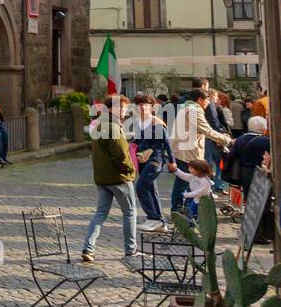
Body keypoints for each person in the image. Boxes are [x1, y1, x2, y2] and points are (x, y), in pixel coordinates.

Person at [81, 96, 139, 267]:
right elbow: (121, 153)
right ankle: (131, 249)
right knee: (129, 213)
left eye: (124, 108)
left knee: (100, 214)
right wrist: (130, 169)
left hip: (102, 177)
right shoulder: (112, 126)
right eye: (120, 108)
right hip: (118, 177)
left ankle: (88, 248)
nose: (123, 111)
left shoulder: (99, 124)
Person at [169, 88, 230, 215]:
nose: (209, 103)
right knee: (184, 181)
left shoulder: (186, 108)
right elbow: (206, 130)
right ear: (200, 100)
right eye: (208, 100)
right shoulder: (194, 110)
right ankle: (178, 210)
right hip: (188, 152)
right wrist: (227, 140)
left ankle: (183, 209)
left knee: (185, 181)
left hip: (183, 150)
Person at [132, 93, 175, 231]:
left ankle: (153, 217)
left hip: (155, 159)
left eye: (146, 105)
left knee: (141, 187)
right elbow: (138, 141)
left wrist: (172, 161)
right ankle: (161, 221)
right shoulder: (138, 122)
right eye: (140, 105)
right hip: (142, 160)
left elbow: (166, 143)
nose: (143, 107)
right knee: (151, 189)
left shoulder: (156, 123)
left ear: (152, 107)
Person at [226, 116, 272, 198]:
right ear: (264, 129)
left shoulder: (240, 140)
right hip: (262, 172)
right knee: (261, 198)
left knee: (249, 197)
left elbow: (231, 156)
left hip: (245, 172)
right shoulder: (266, 141)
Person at [172, 158, 214, 223]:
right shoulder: (194, 176)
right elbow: (184, 176)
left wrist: (186, 195)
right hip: (196, 200)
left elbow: (200, 192)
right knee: (191, 213)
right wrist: (176, 170)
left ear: (198, 170)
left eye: (191, 168)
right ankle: (189, 225)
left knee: (199, 215)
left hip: (204, 201)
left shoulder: (205, 181)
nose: (189, 169)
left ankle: (195, 224)